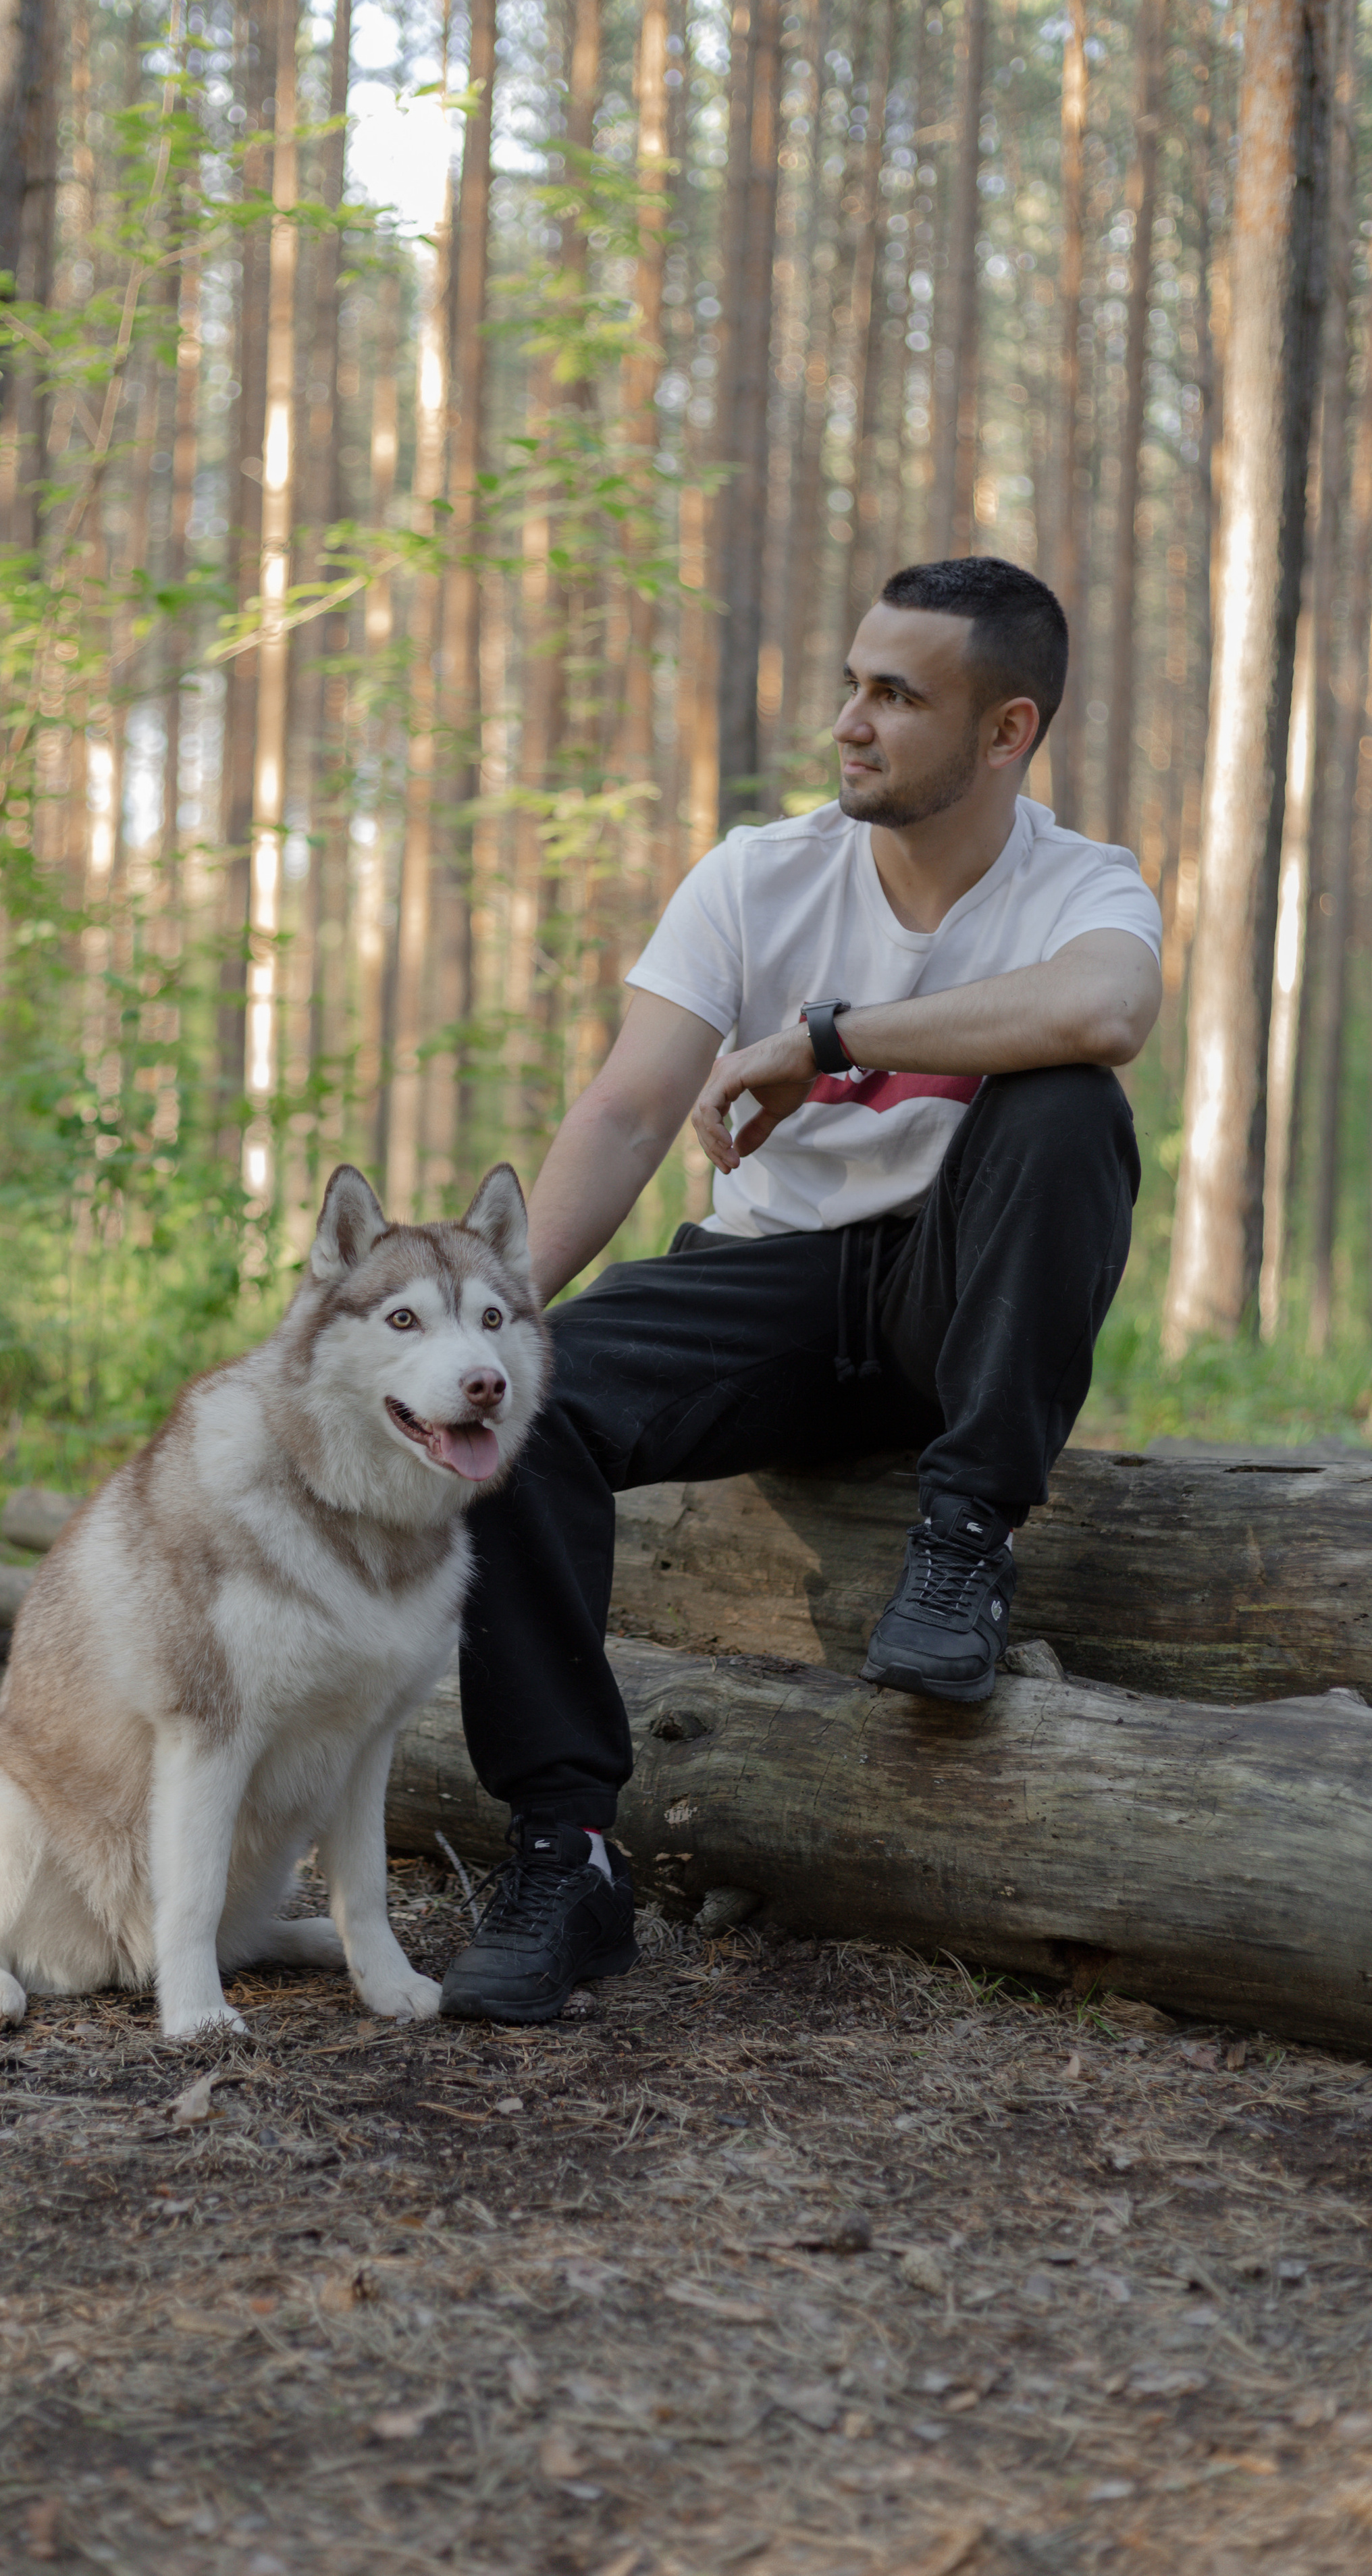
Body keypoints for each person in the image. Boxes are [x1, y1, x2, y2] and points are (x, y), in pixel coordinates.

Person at [438, 554, 1163, 2024]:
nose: (849, 719)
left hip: (949, 1306)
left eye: (896, 696)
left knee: (1066, 1108)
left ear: (1004, 731)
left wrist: (826, 1038)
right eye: (851, 683)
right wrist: (480, 1319)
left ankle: (958, 1548)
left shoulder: (1081, 885)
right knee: (520, 1404)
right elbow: (630, 1113)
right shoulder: (754, 873)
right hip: (762, 1287)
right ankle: (564, 1850)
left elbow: (1103, 1010)